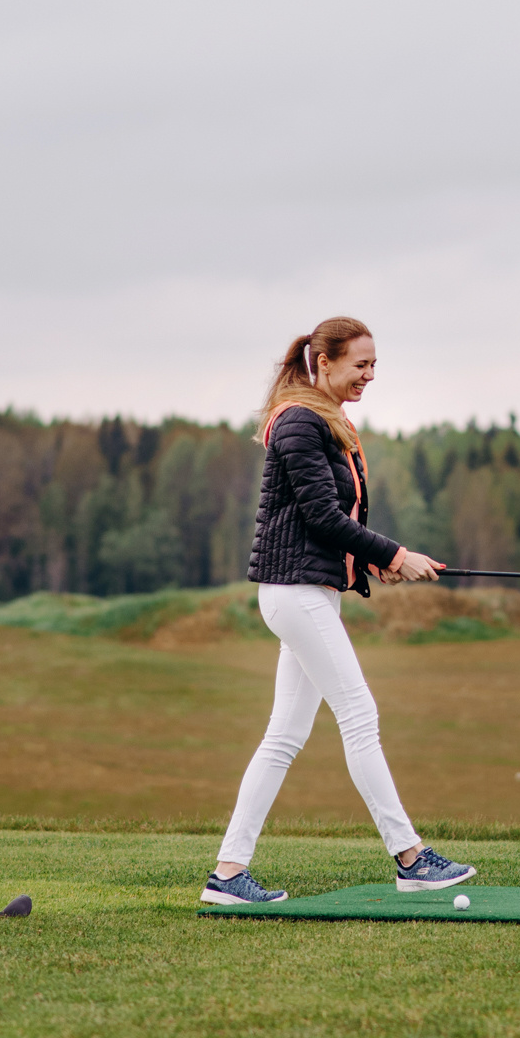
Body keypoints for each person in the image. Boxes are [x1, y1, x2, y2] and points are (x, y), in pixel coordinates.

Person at [202, 316, 477, 906]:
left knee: (284, 736)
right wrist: (396, 553)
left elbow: (328, 523)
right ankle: (409, 857)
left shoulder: (321, 418)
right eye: (360, 365)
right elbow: (323, 518)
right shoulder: (301, 420)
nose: (369, 375)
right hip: (295, 593)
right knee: (359, 713)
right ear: (323, 362)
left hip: (307, 590)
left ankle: (227, 874)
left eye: (375, 365)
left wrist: (373, 561)